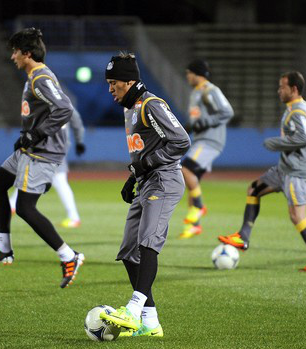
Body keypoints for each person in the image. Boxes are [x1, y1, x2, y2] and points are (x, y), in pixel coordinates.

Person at [0, 28, 83, 288]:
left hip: (42, 153)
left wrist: (36, 134)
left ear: (27, 54)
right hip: (30, 149)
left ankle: (69, 255)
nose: (12, 57)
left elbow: (65, 109)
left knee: (24, 208)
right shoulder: (35, 75)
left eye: (15, 52)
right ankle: (3, 247)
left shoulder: (40, 78)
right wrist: (29, 134)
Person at [99, 53, 190, 336]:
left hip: (164, 181)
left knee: (148, 242)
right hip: (147, 181)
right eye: (109, 83)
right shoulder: (130, 107)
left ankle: (134, 308)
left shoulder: (151, 104)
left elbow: (181, 140)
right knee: (129, 251)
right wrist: (132, 177)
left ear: (130, 81)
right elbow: (144, 150)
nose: (111, 88)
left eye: (114, 83)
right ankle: (150, 323)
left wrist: (146, 165)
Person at [218, 71, 306, 272]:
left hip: (297, 172)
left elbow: (304, 138)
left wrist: (278, 143)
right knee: (254, 189)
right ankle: (243, 237)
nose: (279, 90)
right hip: (284, 169)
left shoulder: (297, 111)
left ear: (294, 89)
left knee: (297, 216)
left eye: (282, 87)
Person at [179, 59, 234, 239]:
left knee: (185, 169)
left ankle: (199, 206)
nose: (187, 76)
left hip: (210, 141)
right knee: (192, 179)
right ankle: (194, 224)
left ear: (196, 74)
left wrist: (207, 122)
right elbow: (198, 119)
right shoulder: (196, 93)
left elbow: (227, 112)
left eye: (189, 73)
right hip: (201, 140)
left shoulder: (210, 90)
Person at [9, 107, 86, 228]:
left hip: (52, 150)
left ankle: (74, 217)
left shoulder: (48, 104)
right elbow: (77, 123)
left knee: (59, 181)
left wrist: (79, 141)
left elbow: (75, 123)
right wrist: (79, 141)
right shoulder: (62, 103)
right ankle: (11, 206)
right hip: (46, 149)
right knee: (28, 175)